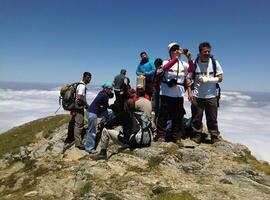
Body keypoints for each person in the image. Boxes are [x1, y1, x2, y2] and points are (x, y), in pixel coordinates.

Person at [156, 42, 194, 147]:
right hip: (166, 93)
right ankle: (161, 135)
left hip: (178, 94)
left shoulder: (183, 64)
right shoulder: (165, 62)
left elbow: (191, 69)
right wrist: (175, 59)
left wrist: (189, 58)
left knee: (178, 117)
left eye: (178, 49)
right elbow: (166, 68)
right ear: (170, 52)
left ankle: (176, 137)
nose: (177, 51)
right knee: (163, 115)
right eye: (174, 50)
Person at [188, 42, 224, 144]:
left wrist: (208, 80)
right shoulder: (194, 63)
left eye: (208, 51)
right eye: (205, 51)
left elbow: (221, 78)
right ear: (199, 52)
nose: (207, 53)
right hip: (197, 95)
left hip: (211, 95)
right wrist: (190, 93)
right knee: (196, 118)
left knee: (212, 118)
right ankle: (197, 135)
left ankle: (214, 136)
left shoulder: (214, 63)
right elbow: (188, 79)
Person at [84, 82, 114, 153]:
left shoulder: (102, 93)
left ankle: (105, 125)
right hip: (92, 114)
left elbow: (104, 107)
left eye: (111, 89)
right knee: (92, 131)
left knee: (109, 113)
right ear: (105, 88)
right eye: (110, 89)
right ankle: (89, 148)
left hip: (92, 112)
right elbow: (106, 106)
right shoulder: (104, 95)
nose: (111, 90)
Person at [71, 72, 91, 150]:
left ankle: (74, 139)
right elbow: (79, 97)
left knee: (77, 124)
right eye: (88, 77)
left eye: (90, 78)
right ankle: (78, 144)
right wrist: (86, 105)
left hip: (76, 107)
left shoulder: (79, 85)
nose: (89, 79)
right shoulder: (82, 86)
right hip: (78, 107)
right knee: (79, 125)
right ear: (84, 77)